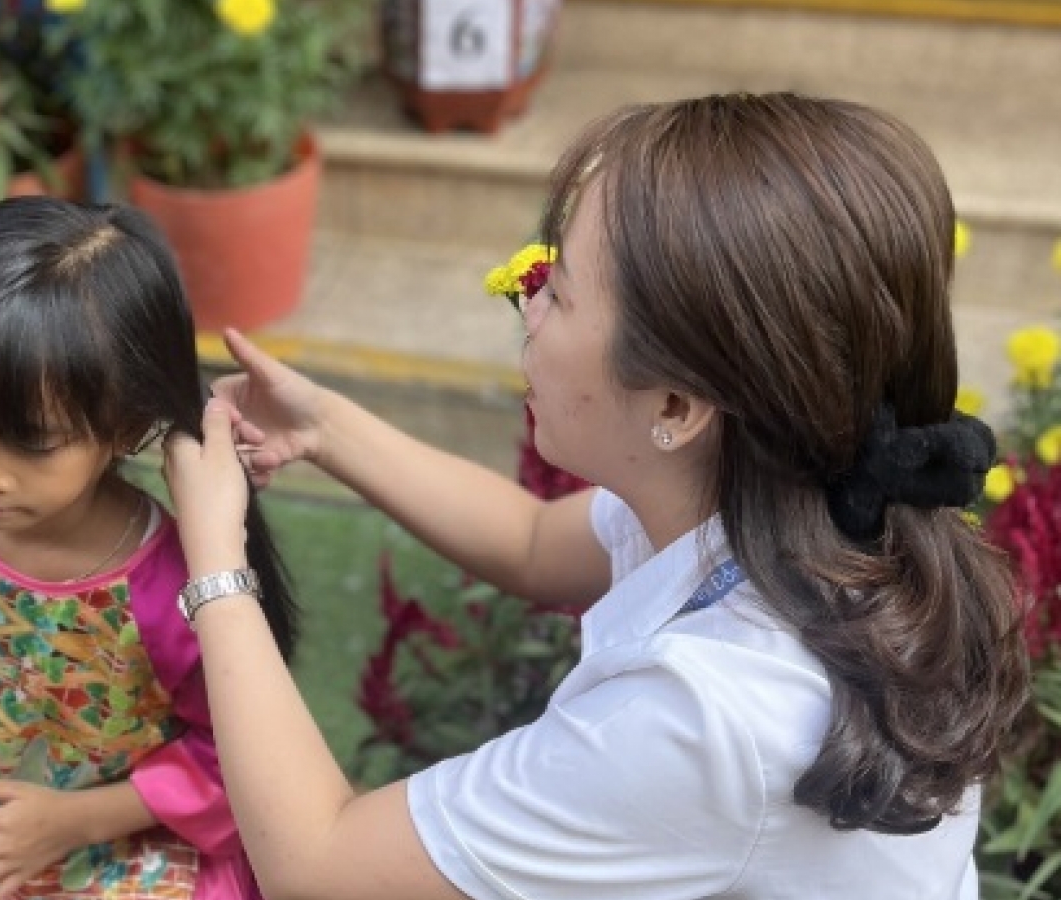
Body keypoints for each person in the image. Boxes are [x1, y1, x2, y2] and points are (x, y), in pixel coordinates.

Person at [161, 93, 1033, 899]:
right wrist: (324, 426)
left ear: (676, 407)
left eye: (561, 292)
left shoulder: (707, 718)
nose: (527, 302)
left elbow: (317, 864)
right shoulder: (792, 498)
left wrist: (215, 557)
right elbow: (536, 543)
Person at [0, 196, 296, 900]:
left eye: (32, 441)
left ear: (126, 421)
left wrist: (73, 821)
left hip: (126, 850)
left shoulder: (185, 590)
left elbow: (234, 761)